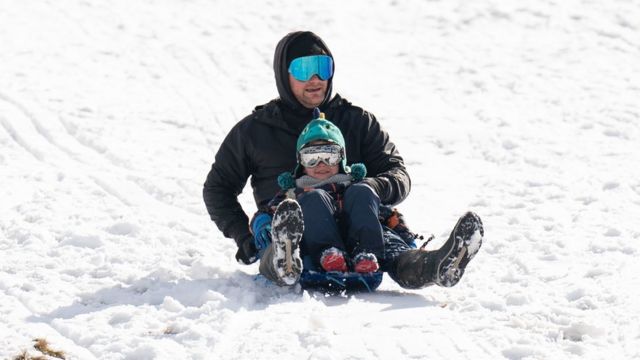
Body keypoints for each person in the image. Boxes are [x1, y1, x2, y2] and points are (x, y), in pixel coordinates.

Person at [203, 30, 483, 289]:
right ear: (283, 75)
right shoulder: (256, 131)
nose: (315, 79)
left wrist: (371, 189)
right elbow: (218, 187)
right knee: (279, 248)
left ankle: (435, 267)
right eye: (303, 70)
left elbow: (397, 173)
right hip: (294, 232)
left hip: (363, 233)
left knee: (395, 250)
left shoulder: (357, 121)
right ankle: (282, 262)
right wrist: (244, 236)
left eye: (322, 68)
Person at [253, 111, 384, 285]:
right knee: (312, 197)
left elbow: (379, 212)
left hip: (361, 246)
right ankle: (292, 260)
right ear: (301, 162)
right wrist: (263, 223)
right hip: (313, 252)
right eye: (312, 158)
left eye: (329, 157)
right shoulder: (294, 191)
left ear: (341, 158)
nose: (321, 164)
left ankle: (380, 258)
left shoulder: (353, 186)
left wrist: (398, 225)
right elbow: (270, 211)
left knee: (364, 191)